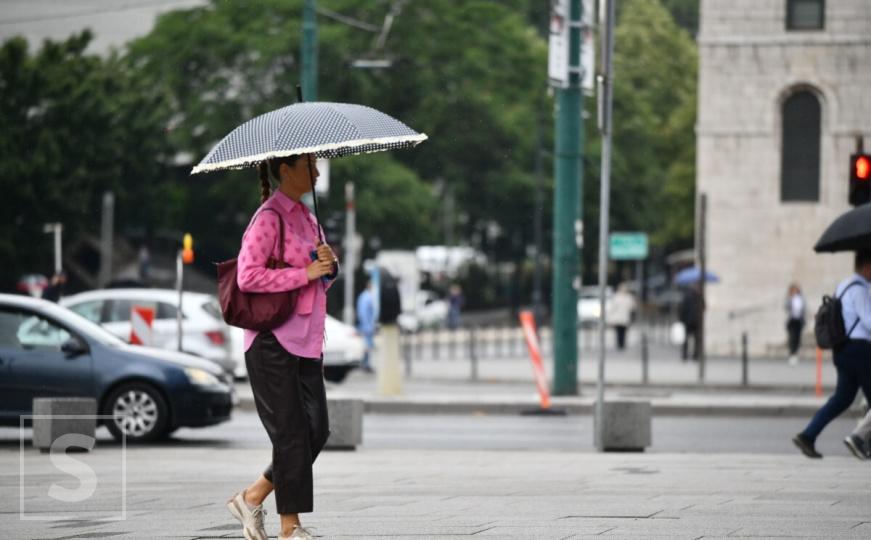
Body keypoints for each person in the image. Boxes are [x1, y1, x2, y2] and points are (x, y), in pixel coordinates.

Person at [227, 153, 338, 540]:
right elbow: (247, 276)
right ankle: (290, 528)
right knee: (290, 432)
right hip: (272, 340)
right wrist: (303, 272)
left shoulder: (309, 218)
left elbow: (318, 281)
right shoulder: (268, 217)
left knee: (317, 430)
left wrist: (328, 265)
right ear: (286, 172)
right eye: (310, 167)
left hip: (306, 341)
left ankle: (253, 495)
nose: (318, 173)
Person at [793, 249, 871, 459]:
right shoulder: (861, 290)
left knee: (842, 398)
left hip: (842, 349)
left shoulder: (844, 286)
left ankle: (808, 435)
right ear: (866, 266)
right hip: (860, 350)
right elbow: (868, 321)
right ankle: (860, 440)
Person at [677, 284, 702, 361]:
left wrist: (681, 318)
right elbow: (704, 306)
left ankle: (685, 355)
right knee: (696, 339)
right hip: (696, 320)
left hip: (688, 321)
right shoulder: (699, 296)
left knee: (686, 339)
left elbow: (682, 308)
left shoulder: (687, 296)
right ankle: (695, 355)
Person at [356, 280, 376, 372]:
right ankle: (365, 365)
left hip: (366, 325)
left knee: (367, 345)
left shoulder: (364, 296)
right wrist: (367, 326)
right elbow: (364, 313)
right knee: (366, 346)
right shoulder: (367, 297)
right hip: (367, 326)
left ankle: (366, 364)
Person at [610, 283, 636, 350]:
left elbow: (613, 307)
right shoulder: (628, 297)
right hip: (623, 318)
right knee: (622, 332)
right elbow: (632, 307)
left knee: (619, 332)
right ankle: (621, 344)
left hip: (619, 318)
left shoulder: (617, 296)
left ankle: (620, 344)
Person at [785, 283, 805, 366]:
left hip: (799, 320)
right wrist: (790, 298)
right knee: (792, 337)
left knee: (798, 337)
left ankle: (795, 353)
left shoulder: (800, 298)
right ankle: (792, 353)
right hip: (792, 320)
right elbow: (786, 306)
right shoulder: (789, 297)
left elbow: (804, 308)